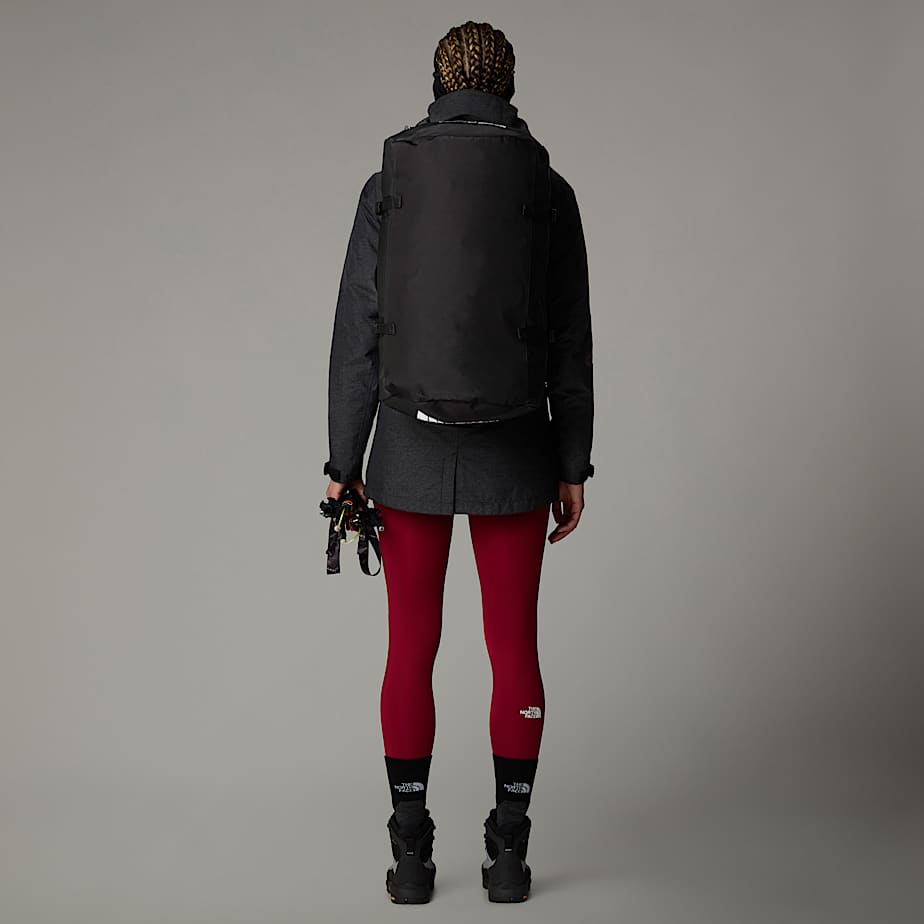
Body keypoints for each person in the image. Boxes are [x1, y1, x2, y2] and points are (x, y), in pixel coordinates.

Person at [323, 20, 594, 903]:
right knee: (514, 647)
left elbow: (359, 332)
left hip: (405, 447)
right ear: (507, 84)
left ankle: (410, 856)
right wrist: (573, 460)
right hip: (517, 448)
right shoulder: (548, 190)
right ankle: (509, 855)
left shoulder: (387, 185)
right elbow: (569, 340)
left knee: (411, 648)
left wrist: (343, 458)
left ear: (439, 82)